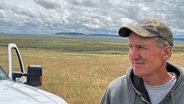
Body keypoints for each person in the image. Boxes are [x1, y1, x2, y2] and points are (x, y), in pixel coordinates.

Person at [100, 18, 184, 104]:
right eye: (131, 47)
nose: (133, 56)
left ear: (166, 53)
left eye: (142, 47)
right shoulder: (117, 91)